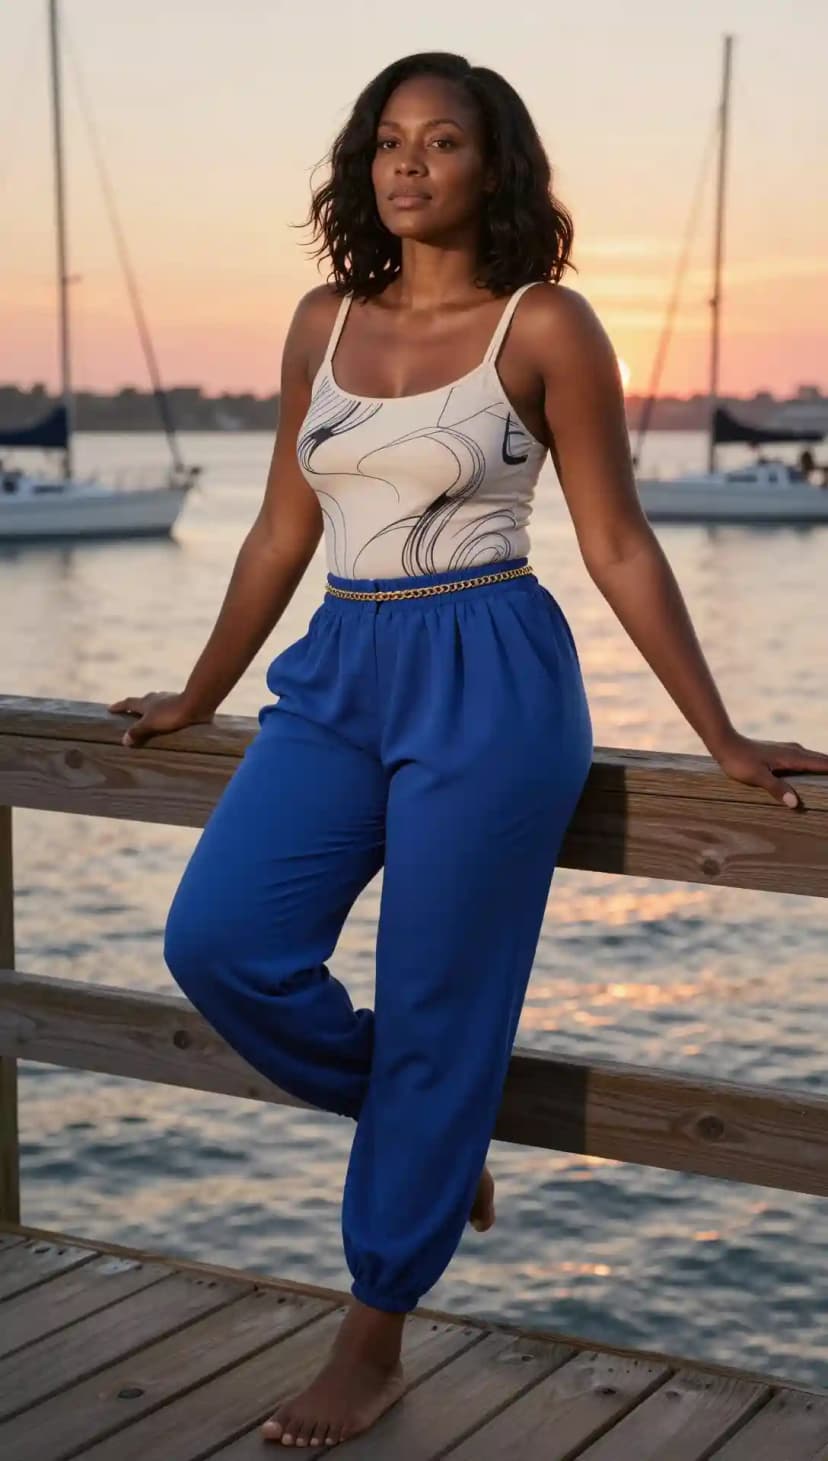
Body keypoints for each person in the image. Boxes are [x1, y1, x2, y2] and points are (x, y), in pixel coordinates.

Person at [107, 50, 828, 1450]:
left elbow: (616, 538)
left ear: (493, 166)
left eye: (442, 142)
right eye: (389, 141)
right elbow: (278, 528)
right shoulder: (320, 321)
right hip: (337, 669)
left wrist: (720, 731)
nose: (409, 163)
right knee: (220, 941)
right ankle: (434, 1139)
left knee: (441, 1002)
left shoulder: (544, 324)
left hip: (491, 674)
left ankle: (373, 1333)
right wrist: (201, 691)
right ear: (362, 164)